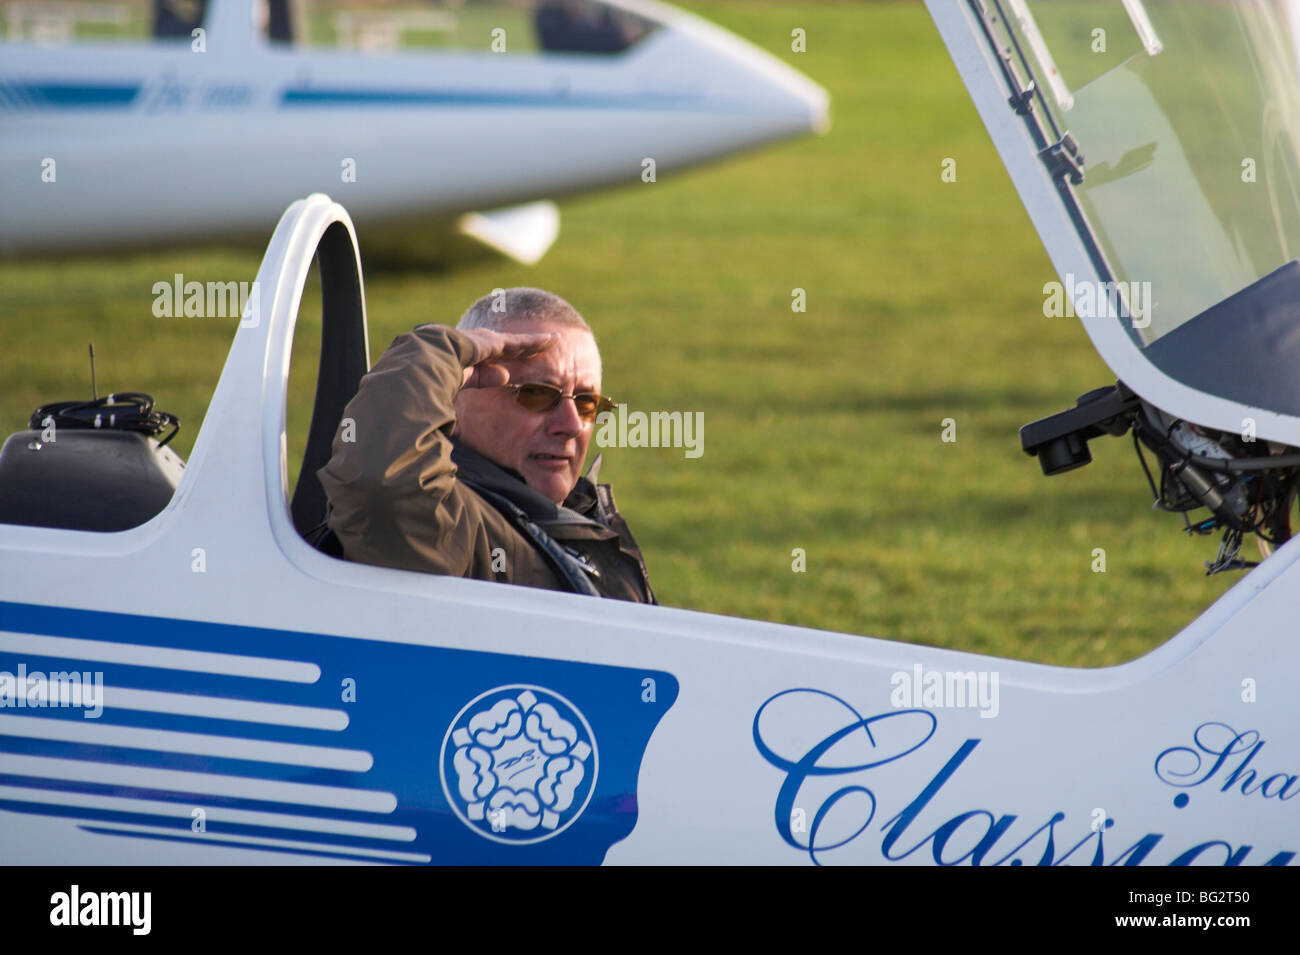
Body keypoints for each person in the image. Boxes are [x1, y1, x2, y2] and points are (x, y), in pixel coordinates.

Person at [316, 287, 655, 603]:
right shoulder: (453, 522)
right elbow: (382, 482)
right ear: (455, 402)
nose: (569, 426)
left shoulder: (587, 518)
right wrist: (436, 353)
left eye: (586, 403)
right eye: (537, 394)